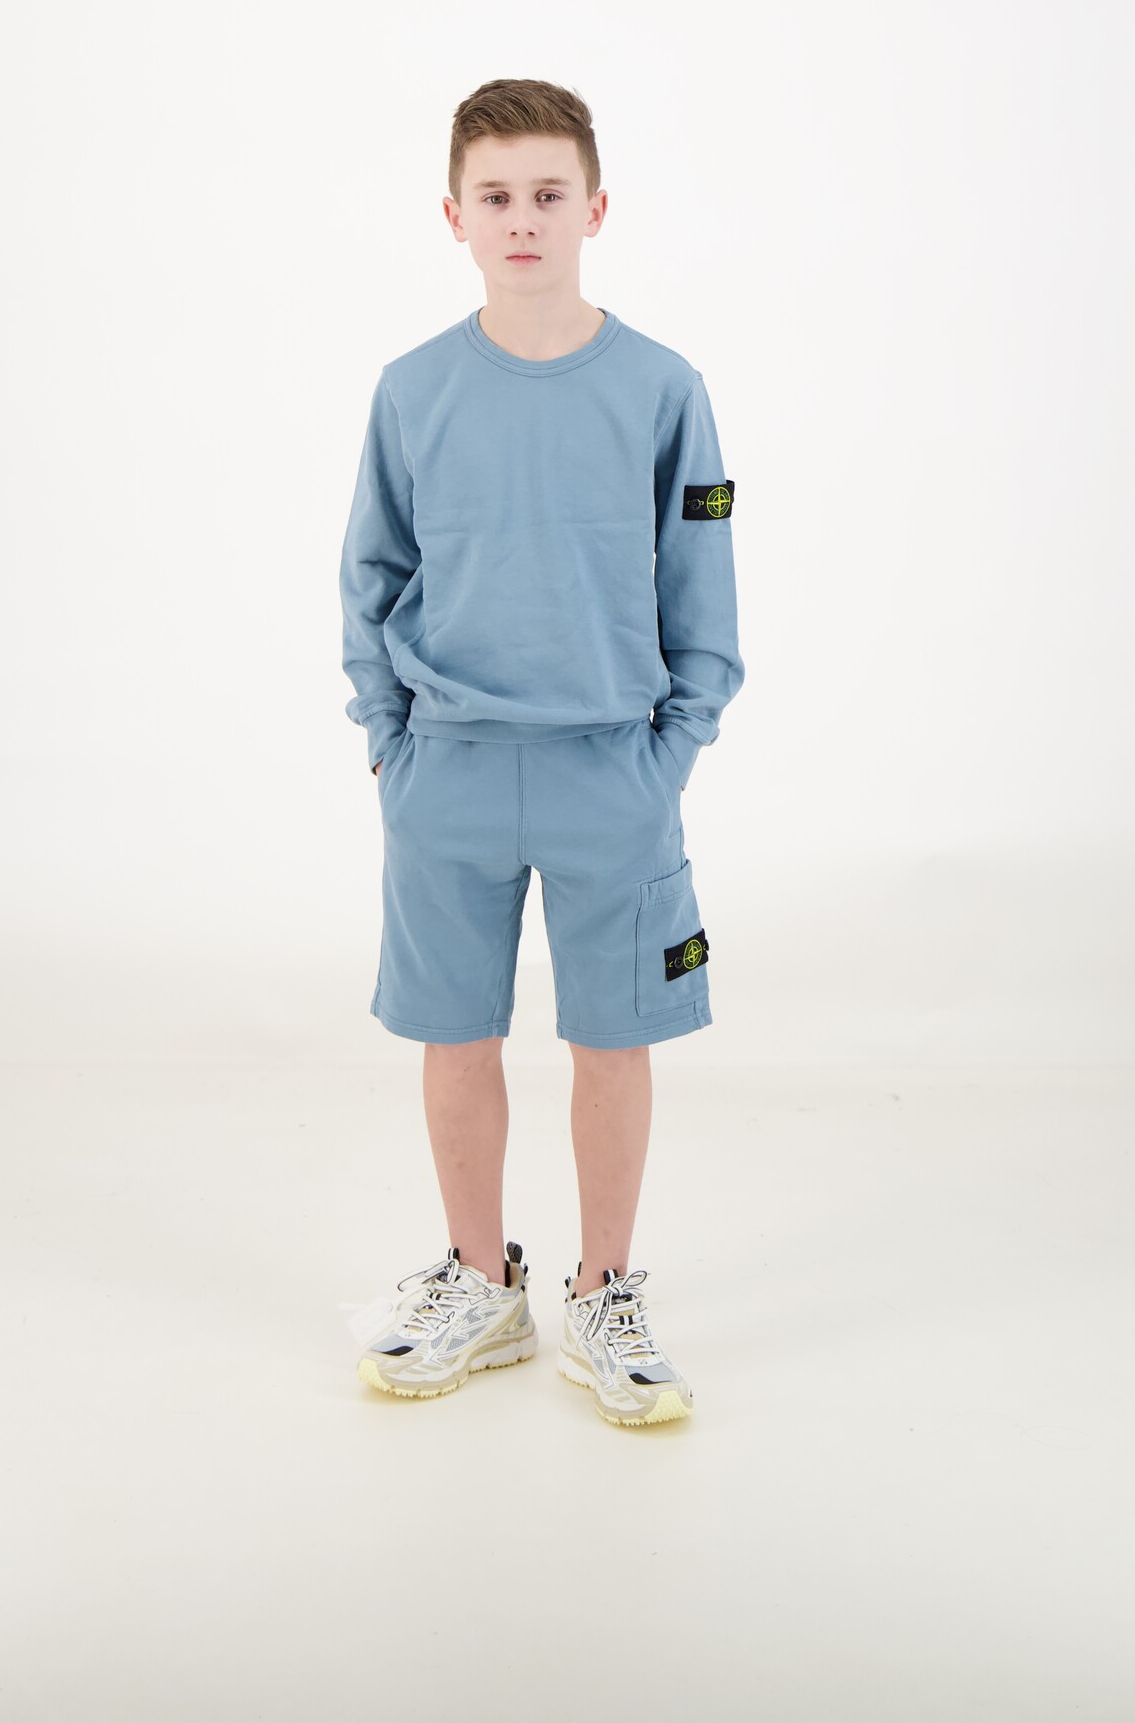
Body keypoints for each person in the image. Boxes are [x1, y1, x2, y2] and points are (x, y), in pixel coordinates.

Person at [337, 78, 744, 1427]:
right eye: (497, 196)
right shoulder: (412, 391)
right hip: (446, 769)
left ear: (596, 209)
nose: (523, 219)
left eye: (548, 194)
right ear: (454, 216)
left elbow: (700, 583)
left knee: (612, 1039)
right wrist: (390, 741)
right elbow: (371, 574)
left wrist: (670, 749)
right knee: (454, 1036)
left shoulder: (661, 388)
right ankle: (480, 1279)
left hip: (609, 771)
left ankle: (605, 1288)